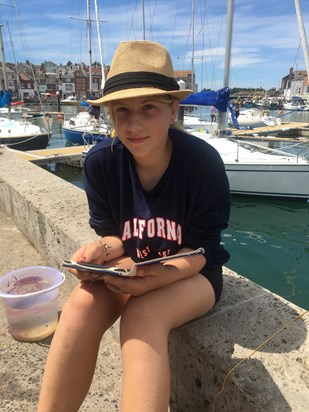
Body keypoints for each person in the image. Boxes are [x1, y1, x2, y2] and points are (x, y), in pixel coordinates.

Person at [38, 40, 230, 412]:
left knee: (144, 315)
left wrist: (157, 278)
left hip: (194, 272)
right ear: (109, 113)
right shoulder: (100, 163)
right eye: (121, 110)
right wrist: (101, 252)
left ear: (173, 108)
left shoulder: (203, 164)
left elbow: (201, 251)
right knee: (81, 304)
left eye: (149, 108)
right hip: (134, 265)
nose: (134, 123)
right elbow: (115, 236)